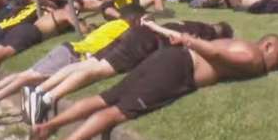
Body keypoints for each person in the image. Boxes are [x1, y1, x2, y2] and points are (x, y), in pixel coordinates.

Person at [27, 33, 278, 140]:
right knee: (119, 112)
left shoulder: (238, 42)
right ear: (267, 45)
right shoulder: (253, 56)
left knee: (105, 98)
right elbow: (217, 53)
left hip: (168, 58)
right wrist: (190, 40)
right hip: (178, 67)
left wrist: (189, 43)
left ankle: (47, 127)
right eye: (277, 57)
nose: (274, 65)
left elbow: (219, 51)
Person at [27, 17, 234, 126]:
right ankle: (47, 98)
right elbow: (176, 36)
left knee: (89, 64)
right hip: (144, 42)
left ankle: (41, 90)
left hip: (137, 34)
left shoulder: (194, 22)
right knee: (98, 70)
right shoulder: (205, 33)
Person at [0, 7, 144, 126]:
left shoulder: (112, 24)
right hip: (73, 54)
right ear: (134, 19)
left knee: (27, 75)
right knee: (29, 76)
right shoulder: (124, 27)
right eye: (141, 20)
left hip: (69, 49)